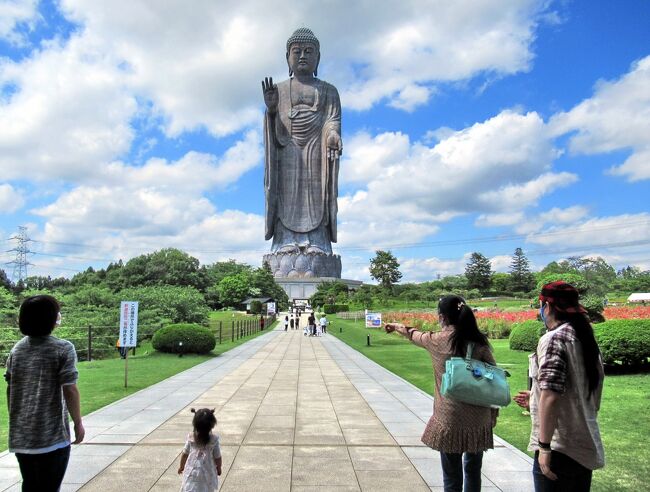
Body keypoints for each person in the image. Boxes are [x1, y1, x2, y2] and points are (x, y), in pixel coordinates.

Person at [385, 295, 497, 492]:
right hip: (479, 419)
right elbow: (493, 378)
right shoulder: (478, 341)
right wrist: (493, 413)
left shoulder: (437, 340)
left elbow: (413, 334)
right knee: (473, 470)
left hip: (449, 418)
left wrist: (395, 326)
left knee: (451, 478)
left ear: (442, 317)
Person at [513, 281, 604, 491]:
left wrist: (544, 448)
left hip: (559, 447)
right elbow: (577, 391)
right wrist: (534, 400)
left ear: (547, 306)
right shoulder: (583, 337)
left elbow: (551, 395)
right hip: (583, 444)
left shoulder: (554, 339)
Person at [262, 28, 342, 256]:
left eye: (309, 52)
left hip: (317, 150)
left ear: (318, 57)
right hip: (287, 149)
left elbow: (332, 119)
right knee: (285, 194)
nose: (303, 56)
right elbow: (274, 126)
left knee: (317, 193)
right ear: (288, 58)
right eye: (297, 52)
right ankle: (284, 242)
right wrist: (271, 110)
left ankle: (318, 242)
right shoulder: (279, 89)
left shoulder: (329, 91)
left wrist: (333, 134)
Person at [4, 295, 85, 491]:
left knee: (30, 486)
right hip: (52, 437)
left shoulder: (17, 349)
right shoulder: (63, 348)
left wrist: (17, 419)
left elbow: (10, 387)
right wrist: (78, 423)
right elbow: (70, 388)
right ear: (52, 318)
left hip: (22, 437)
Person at [178, 408, 222, 492]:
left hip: (192, 472)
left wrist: (181, 466)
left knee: (190, 487)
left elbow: (185, 454)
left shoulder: (191, 438)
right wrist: (219, 468)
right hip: (207, 473)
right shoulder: (213, 440)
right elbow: (218, 457)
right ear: (211, 425)